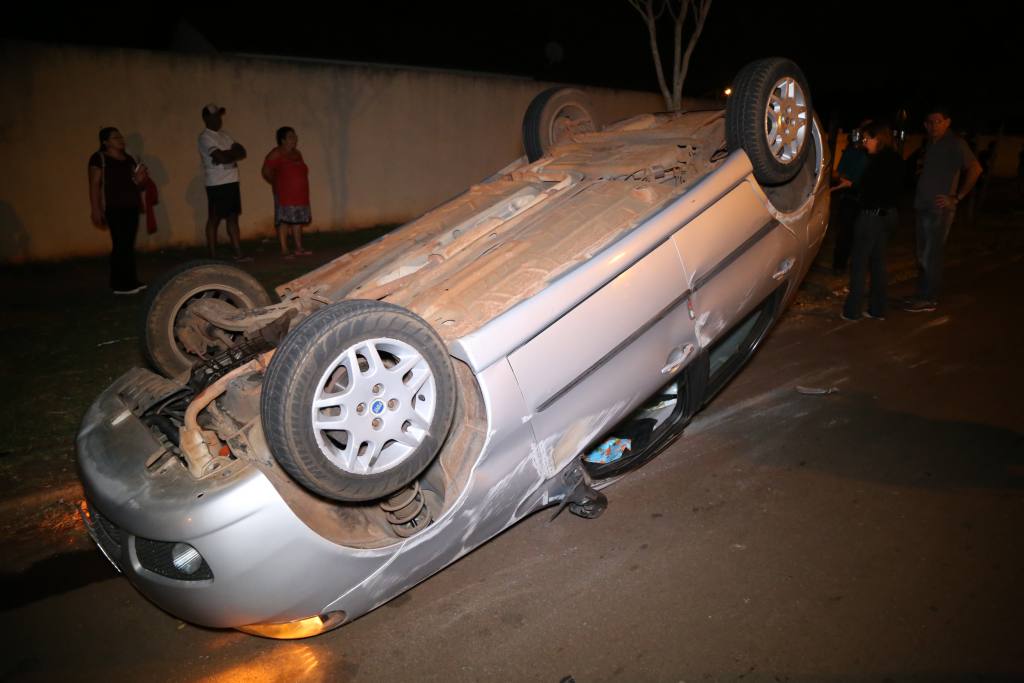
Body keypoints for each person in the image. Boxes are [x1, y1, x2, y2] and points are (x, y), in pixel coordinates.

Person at [905, 105, 982, 313]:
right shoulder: (930, 144)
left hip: (939, 210)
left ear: (947, 122)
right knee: (922, 254)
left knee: (931, 254)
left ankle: (929, 298)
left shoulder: (956, 143)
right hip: (922, 205)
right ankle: (922, 294)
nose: (933, 126)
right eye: (930, 122)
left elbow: (975, 168)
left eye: (938, 121)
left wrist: (957, 197)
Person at [841, 121, 904, 321]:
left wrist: (854, 187)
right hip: (890, 215)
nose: (864, 143)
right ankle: (878, 309)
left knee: (859, 263)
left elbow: (869, 191)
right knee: (878, 263)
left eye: (867, 139)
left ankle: (852, 311)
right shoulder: (896, 159)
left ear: (879, 138)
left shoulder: (877, 161)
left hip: (871, 217)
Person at [88, 127, 148, 294]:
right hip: (114, 207)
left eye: (121, 136)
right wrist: (96, 209)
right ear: (105, 142)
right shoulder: (99, 158)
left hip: (131, 206)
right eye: (115, 137)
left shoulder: (128, 158)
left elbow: (138, 183)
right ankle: (119, 284)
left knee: (128, 244)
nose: (121, 139)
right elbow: (94, 185)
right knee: (120, 244)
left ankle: (131, 280)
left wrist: (140, 179)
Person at [198, 103, 249, 261]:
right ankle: (212, 255)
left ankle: (238, 252)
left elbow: (242, 152)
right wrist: (229, 154)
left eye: (219, 115)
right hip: (217, 184)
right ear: (206, 118)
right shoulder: (205, 137)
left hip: (232, 181)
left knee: (233, 217)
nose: (218, 119)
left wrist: (227, 154)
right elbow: (221, 157)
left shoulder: (225, 135)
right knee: (214, 218)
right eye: (214, 116)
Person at [261, 127, 312, 258]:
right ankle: (284, 249)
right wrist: (277, 183)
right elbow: (266, 171)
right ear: (282, 140)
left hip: (299, 195)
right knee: (284, 220)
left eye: (295, 136)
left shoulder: (297, 153)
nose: (294, 138)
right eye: (291, 136)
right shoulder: (276, 153)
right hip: (284, 195)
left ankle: (299, 248)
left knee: (297, 221)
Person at [830, 121, 872, 274]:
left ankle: (858, 267)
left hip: (867, 199)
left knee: (863, 235)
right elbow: (839, 172)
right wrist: (844, 179)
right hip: (849, 197)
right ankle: (839, 266)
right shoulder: (851, 151)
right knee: (845, 234)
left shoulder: (874, 154)